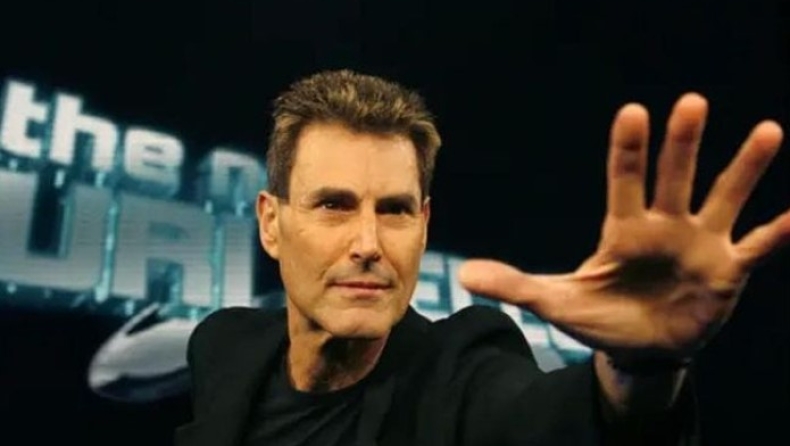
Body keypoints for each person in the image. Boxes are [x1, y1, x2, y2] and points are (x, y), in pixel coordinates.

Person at [175, 70, 788, 446]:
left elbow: (553, 419)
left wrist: (642, 368)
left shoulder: (463, 374)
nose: (368, 243)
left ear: (424, 226)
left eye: (395, 210)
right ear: (271, 223)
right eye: (334, 205)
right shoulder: (223, 347)